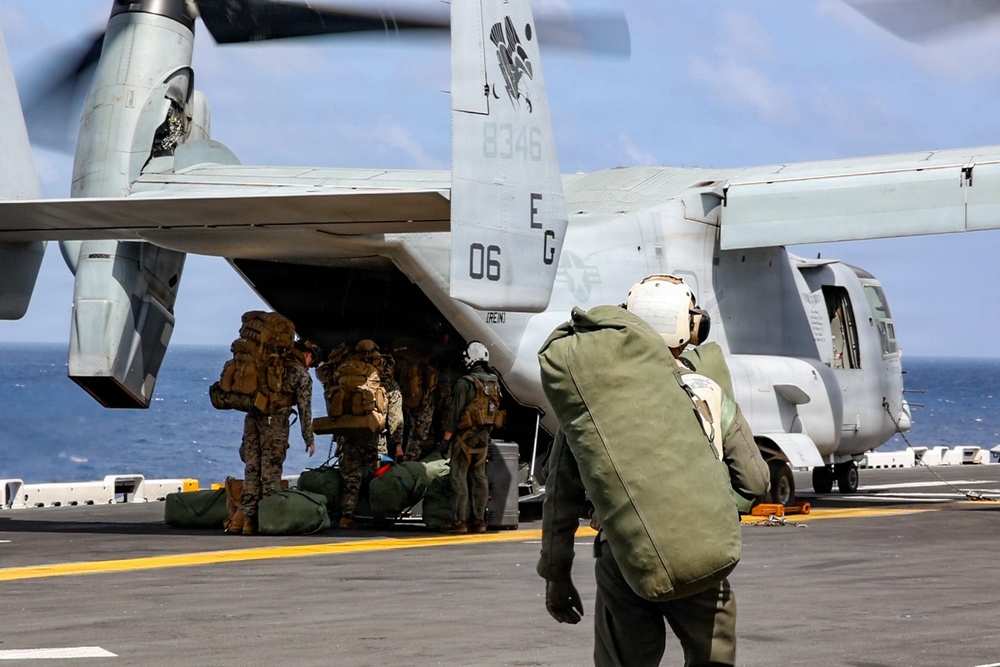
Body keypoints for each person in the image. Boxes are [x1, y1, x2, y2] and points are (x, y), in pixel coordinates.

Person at [537, 275, 770, 666]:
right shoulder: (707, 390)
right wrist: (710, 507)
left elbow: (560, 496)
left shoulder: (591, 403)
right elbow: (756, 481)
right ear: (691, 328)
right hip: (700, 553)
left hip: (623, 554)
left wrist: (556, 577)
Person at [235, 338, 318, 536]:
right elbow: (304, 408)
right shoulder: (300, 374)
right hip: (274, 423)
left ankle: (247, 522)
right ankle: (268, 520)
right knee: (270, 471)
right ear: (307, 355)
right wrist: (308, 438)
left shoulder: (269, 364)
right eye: (311, 361)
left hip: (252, 418)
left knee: (252, 469)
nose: (310, 366)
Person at [336, 339, 400, 529]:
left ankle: (347, 516)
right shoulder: (387, 384)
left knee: (351, 477)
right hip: (376, 438)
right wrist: (397, 443)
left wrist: (339, 439)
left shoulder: (347, 379)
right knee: (380, 475)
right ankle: (380, 515)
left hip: (350, 435)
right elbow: (396, 418)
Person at [440, 341, 502, 535]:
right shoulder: (493, 382)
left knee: (458, 477)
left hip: (464, 438)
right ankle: (479, 521)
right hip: (483, 437)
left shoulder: (465, 383)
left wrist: (446, 439)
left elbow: (454, 413)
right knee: (479, 477)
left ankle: (459, 522)